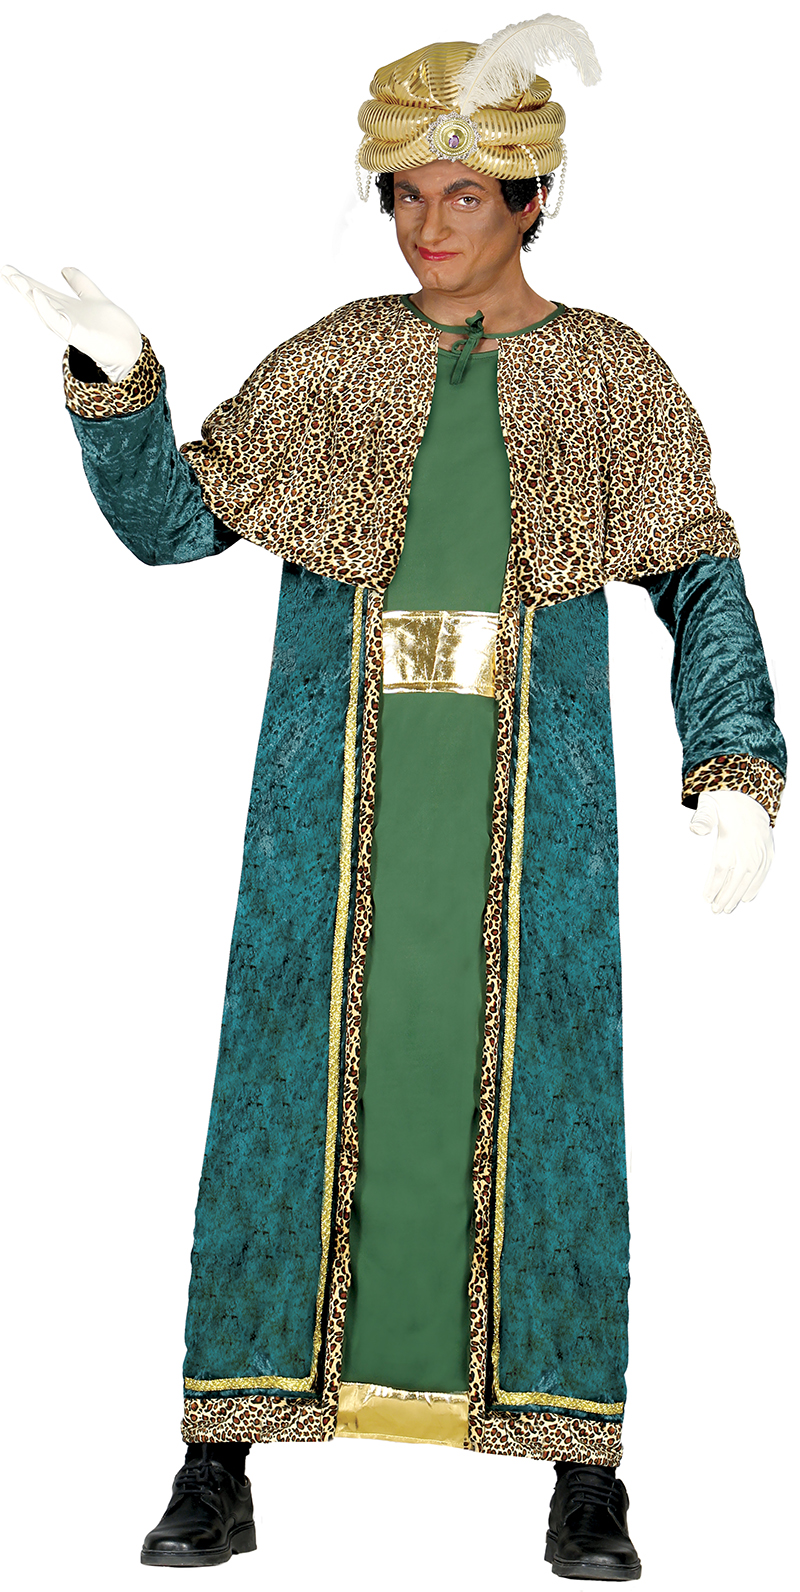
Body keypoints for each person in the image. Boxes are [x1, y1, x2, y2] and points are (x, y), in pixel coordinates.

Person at [2, 15, 786, 1582]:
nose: (431, 226)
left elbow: (700, 579)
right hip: (332, 807)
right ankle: (219, 1456)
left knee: (552, 1097)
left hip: (538, 812)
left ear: (535, 199)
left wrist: (736, 768)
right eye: (408, 197)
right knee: (283, 1086)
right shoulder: (339, 359)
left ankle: (583, 1467)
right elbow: (175, 527)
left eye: (465, 196)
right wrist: (118, 380)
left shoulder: (613, 376)